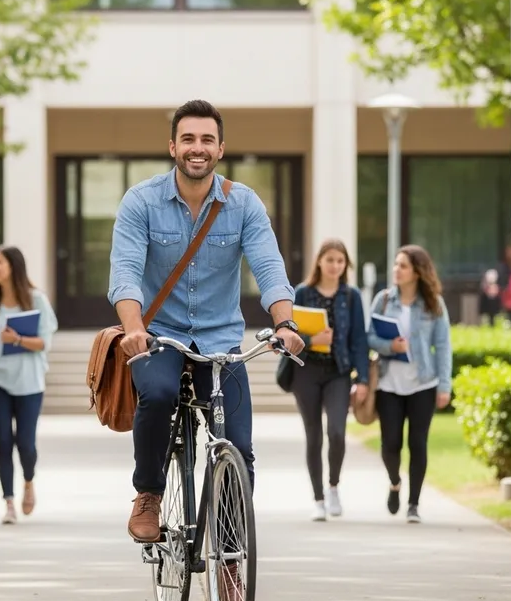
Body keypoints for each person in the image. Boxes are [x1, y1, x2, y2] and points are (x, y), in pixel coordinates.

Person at [108, 98, 304, 547]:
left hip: (219, 339)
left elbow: (269, 267)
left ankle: (231, 555)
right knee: (158, 395)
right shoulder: (141, 201)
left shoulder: (244, 204)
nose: (198, 147)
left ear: (220, 149)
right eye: (188, 139)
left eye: (207, 139)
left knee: (238, 444)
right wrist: (134, 328)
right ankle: (149, 493)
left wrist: (286, 323)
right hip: (159, 336)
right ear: (173, 147)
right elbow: (125, 273)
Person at [0, 245, 58, 525]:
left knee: (26, 444)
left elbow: (44, 342)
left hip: (29, 381)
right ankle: (9, 503)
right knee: (3, 442)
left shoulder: (36, 300)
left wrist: (17, 340)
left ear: (13, 267)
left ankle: (28, 482)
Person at [367, 245, 452, 524]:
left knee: (418, 443)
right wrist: (390, 346)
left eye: (403, 265)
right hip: (389, 384)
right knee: (390, 444)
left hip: (423, 385)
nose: (396, 270)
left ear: (417, 272)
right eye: (396, 264)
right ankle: (395, 483)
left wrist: (444, 386)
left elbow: (443, 345)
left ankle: (414, 504)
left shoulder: (433, 304)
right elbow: (369, 337)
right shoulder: (383, 300)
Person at [291, 238, 369, 521]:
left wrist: (363, 379)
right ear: (319, 262)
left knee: (336, 432)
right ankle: (318, 499)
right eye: (330, 260)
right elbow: (289, 333)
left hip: (339, 372)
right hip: (306, 372)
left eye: (340, 261)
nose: (335, 266)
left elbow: (359, 340)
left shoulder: (351, 296)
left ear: (346, 264)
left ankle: (333, 486)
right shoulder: (302, 293)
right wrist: (313, 340)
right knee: (313, 436)